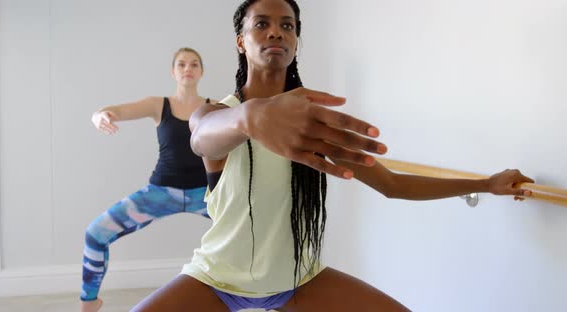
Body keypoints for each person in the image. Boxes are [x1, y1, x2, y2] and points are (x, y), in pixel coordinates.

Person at [131, 1, 534, 311]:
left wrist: (486, 184)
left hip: (298, 280)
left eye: (287, 26)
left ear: (295, 42)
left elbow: (393, 185)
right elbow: (202, 138)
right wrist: (250, 117)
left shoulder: (314, 127)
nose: (276, 33)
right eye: (262, 24)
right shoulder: (217, 113)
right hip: (216, 279)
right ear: (241, 41)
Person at [80, 47, 216, 312]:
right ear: (173, 71)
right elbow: (115, 110)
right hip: (161, 192)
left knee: (259, 230)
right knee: (95, 234)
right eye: (181, 64)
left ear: (201, 71)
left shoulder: (214, 107)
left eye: (194, 64)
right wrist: (100, 116)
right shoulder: (158, 105)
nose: (187, 68)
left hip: (207, 194)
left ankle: (273, 297)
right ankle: (88, 304)